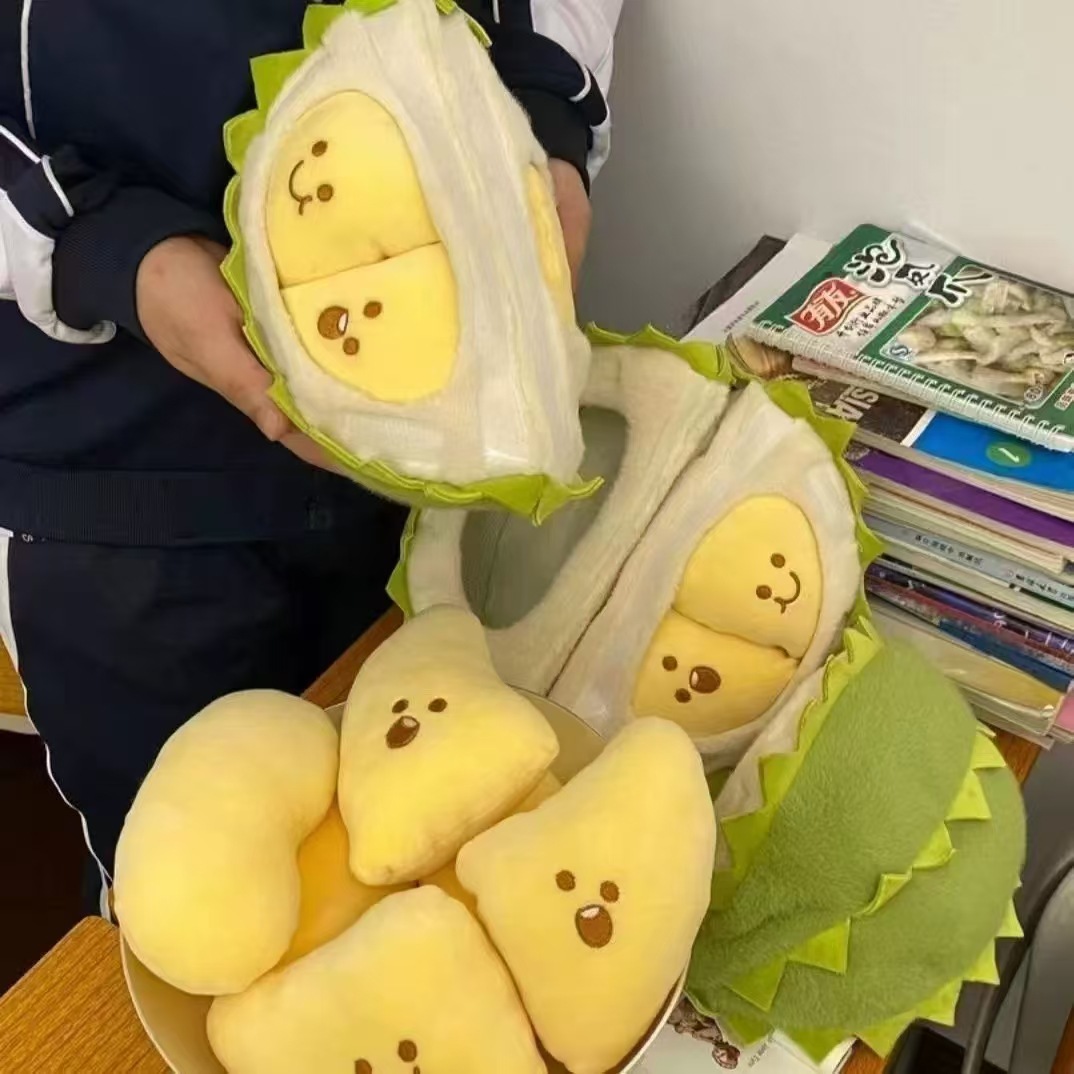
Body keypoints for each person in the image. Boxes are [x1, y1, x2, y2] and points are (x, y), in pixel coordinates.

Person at [0, 0, 623, 911]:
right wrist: (102, 248)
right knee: (199, 914)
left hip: (434, 456)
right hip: (119, 490)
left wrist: (541, 105)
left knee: (461, 861)